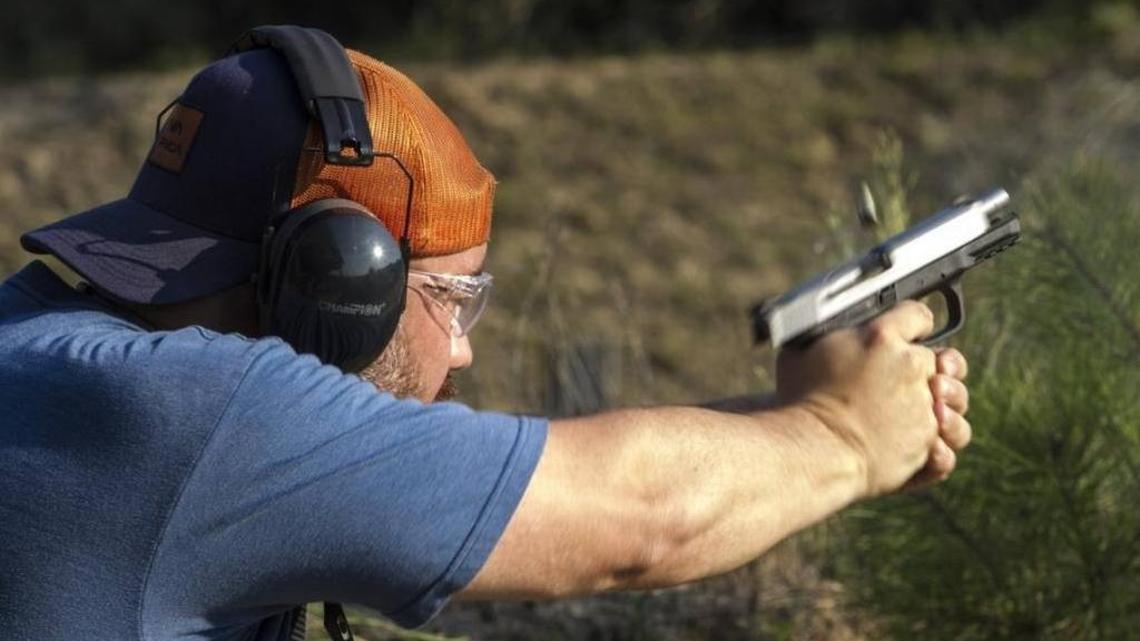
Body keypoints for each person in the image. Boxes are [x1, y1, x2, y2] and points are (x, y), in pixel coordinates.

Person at [0, 31, 972, 641]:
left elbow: (547, 471)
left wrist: (792, 412)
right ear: (339, 283)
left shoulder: (43, 341)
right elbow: (639, 516)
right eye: (454, 296)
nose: (462, 348)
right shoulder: (202, 419)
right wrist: (843, 435)